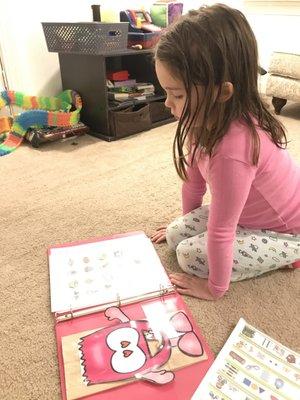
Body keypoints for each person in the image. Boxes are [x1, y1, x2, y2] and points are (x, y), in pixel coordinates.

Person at [150, 4, 300, 300]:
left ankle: (290, 255)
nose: (168, 103)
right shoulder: (200, 122)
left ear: (222, 92)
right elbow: (192, 185)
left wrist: (214, 288)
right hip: (247, 214)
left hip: (287, 231)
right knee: (175, 236)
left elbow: (222, 230)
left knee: (189, 257)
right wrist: (186, 226)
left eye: (177, 95)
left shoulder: (234, 149)